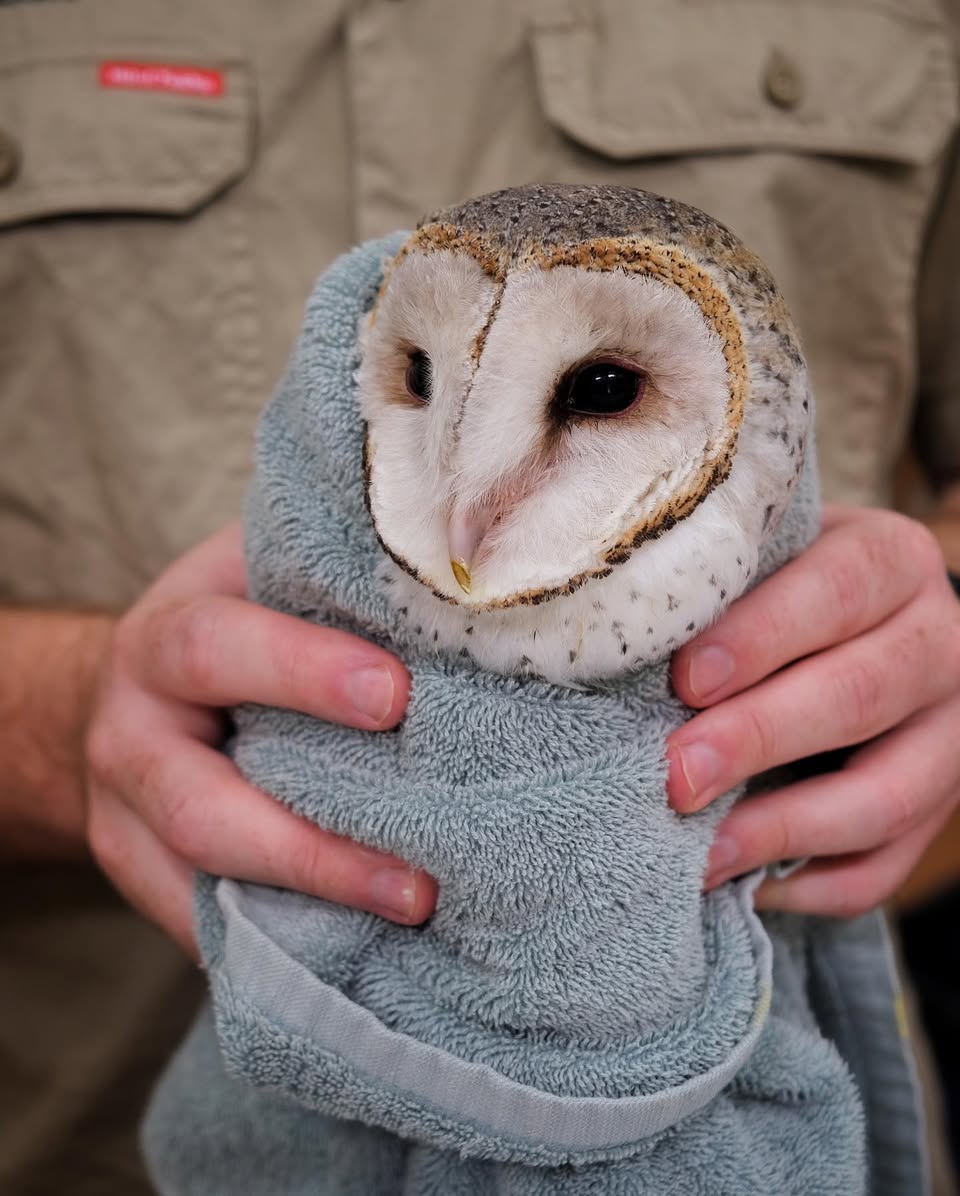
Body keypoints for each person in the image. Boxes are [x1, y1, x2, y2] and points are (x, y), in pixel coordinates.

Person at [1, 0, 959, 1191]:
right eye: (413, 376)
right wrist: (59, 714)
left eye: (605, 388)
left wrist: (937, 625)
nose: (475, 509)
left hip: (771, 1043)